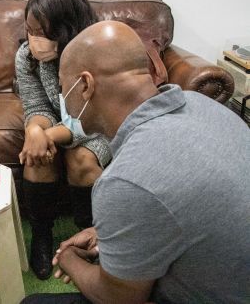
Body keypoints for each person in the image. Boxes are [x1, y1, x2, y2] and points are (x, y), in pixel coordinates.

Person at [22, 21, 250, 303]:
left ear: (85, 85)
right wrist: (110, 232)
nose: (62, 98)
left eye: (62, 87)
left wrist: (68, 258)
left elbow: (116, 298)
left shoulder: (125, 181)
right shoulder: (205, 106)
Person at [15, 0, 111, 280]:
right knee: (36, 156)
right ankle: (41, 235)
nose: (34, 40)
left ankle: (90, 236)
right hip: (56, 127)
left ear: (66, 28)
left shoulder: (94, 54)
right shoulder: (26, 57)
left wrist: (47, 136)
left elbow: (90, 118)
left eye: (43, 32)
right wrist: (34, 131)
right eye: (30, 30)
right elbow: (36, 106)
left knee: (81, 159)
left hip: (98, 129)